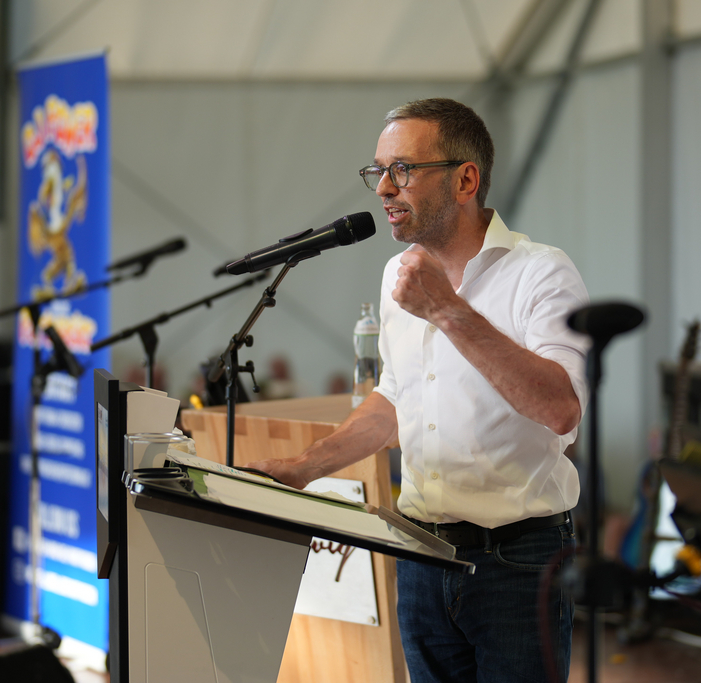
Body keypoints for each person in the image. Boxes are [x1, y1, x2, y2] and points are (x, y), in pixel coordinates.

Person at [248, 98, 590, 682]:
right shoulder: (399, 273)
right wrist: (306, 467)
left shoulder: (541, 272)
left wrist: (448, 311)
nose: (383, 188)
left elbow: (561, 409)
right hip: (419, 552)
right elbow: (394, 398)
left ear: (465, 180)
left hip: (516, 560)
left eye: (402, 170)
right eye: (378, 171)